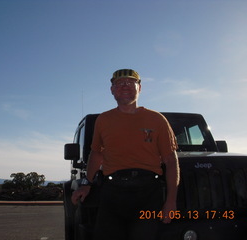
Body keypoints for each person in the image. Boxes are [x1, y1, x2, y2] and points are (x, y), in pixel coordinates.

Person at [71, 69, 180, 240]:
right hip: (112, 194)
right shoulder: (103, 120)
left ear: (140, 88)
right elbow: (97, 154)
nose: (125, 86)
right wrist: (86, 184)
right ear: (112, 90)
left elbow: (171, 161)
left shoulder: (157, 120)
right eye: (119, 83)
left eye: (130, 82)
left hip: (148, 195)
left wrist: (171, 201)